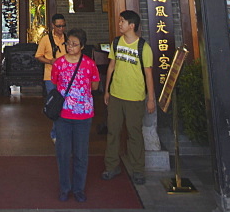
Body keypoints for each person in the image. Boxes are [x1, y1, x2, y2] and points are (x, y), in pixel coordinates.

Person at [101, 10, 155, 186]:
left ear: (132, 25)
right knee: (113, 131)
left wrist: (151, 99)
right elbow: (111, 67)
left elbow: (148, 74)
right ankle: (111, 166)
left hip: (135, 97)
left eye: (122, 21)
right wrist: (107, 90)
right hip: (116, 95)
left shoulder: (143, 47)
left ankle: (138, 169)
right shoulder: (116, 43)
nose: (119, 24)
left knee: (134, 133)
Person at [51, 27, 100, 202]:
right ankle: (65, 188)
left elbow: (95, 86)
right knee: (63, 153)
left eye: (74, 44)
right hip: (63, 115)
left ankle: (79, 188)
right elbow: (55, 83)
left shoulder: (89, 64)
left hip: (84, 116)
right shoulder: (59, 63)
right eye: (68, 43)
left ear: (82, 46)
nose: (70, 47)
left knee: (80, 154)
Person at [35, 13, 67, 141]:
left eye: (63, 26)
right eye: (58, 26)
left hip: (65, 76)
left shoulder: (68, 38)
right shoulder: (46, 39)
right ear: (53, 25)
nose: (61, 29)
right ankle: (55, 133)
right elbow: (38, 56)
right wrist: (50, 61)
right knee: (55, 104)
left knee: (65, 104)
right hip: (50, 76)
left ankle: (63, 131)